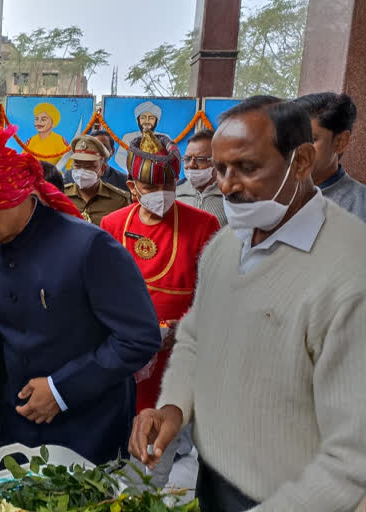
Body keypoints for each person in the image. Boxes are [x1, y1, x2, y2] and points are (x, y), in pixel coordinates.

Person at [129, 96, 366, 511]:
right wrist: (173, 407)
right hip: (217, 479)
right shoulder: (225, 247)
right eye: (219, 169)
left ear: (302, 161)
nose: (225, 185)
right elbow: (196, 340)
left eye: (247, 168)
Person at [0, 119, 161, 467]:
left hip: (89, 432)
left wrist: (61, 390)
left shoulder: (89, 247)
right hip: (16, 430)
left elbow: (140, 338)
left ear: (13, 197)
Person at [101, 131, 219, 487]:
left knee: (153, 458)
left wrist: (176, 331)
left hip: (174, 357)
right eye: (150, 187)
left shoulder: (204, 225)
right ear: (133, 186)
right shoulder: (113, 225)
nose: (161, 194)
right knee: (113, 445)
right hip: (122, 357)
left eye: (168, 183)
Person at [294, 92, 366, 221]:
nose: (294, 149)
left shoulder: (360, 207)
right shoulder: (265, 193)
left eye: (309, 139)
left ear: (340, 142)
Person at [64, 135, 130, 225]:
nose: (82, 171)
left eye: (89, 167)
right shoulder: (61, 196)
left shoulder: (120, 201)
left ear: (102, 169)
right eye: (77, 166)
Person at [176, 130, 228, 226]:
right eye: (187, 159)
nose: (191, 165)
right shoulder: (174, 193)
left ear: (217, 161)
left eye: (200, 160)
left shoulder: (231, 196)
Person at [115, 101, 171, 172]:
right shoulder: (128, 137)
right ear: (137, 120)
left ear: (156, 121)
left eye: (151, 118)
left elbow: (171, 158)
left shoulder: (164, 138)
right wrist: (135, 170)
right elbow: (119, 157)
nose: (147, 121)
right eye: (143, 118)